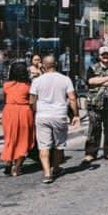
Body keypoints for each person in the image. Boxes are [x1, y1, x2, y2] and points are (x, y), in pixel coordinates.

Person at [30, 55, 80, 184]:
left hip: (42, 116)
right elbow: (72, 98)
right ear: (56, 64)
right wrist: (75, 115)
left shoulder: (37, 81)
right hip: (59, 115)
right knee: (59, 145)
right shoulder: (65, 79)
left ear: (44, 65)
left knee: (43, 146)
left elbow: (32, 100)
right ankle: (56, 168)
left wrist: (36, 110)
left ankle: (47, 173)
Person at [83, 45, 108, 163]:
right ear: (99, 56)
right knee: (94, 128)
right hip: (94, 103)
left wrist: (99, 80)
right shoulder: (92, 68)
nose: (105, 56)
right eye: (103, 54)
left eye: (107, 54)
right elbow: (90, 81)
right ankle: (91, 153)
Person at [0, 60, 35, 177]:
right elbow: (32, 102)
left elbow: (5, 99)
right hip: (24, 111)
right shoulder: (28, 86)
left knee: (10, 138)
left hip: (9, 111)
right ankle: (17, 167)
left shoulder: (6, 85)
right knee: (24, 140)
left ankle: (8, 161)